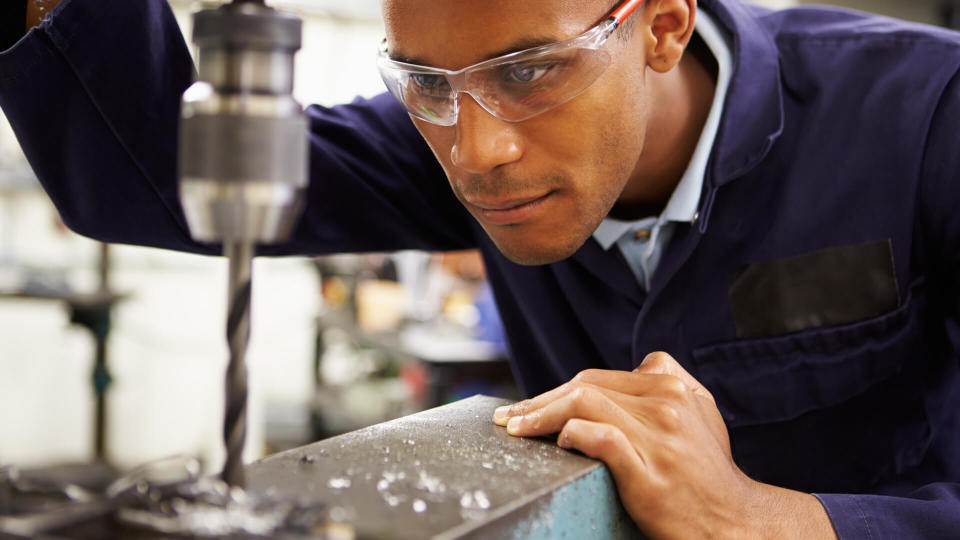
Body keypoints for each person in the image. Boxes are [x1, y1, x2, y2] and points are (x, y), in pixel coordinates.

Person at [2, 0, 959, 537]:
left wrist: (770, 522)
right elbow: (150, 182)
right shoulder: (466, 131)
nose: (474, 152)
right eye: (424, 86)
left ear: (663, 24)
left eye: (531, 69)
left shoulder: (923, 119)